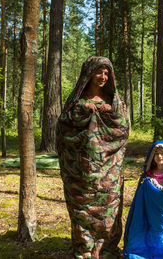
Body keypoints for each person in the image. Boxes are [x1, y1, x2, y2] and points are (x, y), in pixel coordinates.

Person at [56, 56, 129, 258]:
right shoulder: (75, 102)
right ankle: (84, 250)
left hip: (109, 173)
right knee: (82, 212)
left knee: (110, 209)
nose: (103, 77)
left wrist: (111, 114)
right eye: (99, 72)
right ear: (88, 73)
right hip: (80, 174)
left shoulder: (114, 101)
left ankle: (106, 250)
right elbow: (63, 131)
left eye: (107, 73)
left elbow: (123, 131)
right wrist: (81, 111)